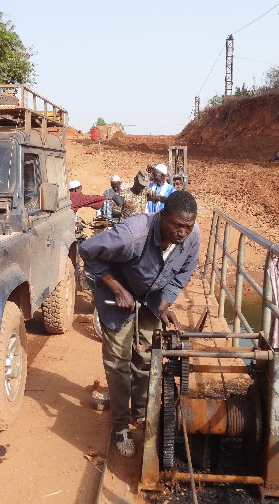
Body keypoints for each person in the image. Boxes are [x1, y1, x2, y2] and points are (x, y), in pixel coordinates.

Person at [78, 190, 201, 458]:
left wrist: (165, 304)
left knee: (147, 358)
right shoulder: (133, 234)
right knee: (120, 363)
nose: (182, 232)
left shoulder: (192, 237)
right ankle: (121, 424)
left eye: (187, 227)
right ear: (162, 216)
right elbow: (86, 250)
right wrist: (117, 288)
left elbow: (182, 274)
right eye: (177, 225)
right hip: (117, 296)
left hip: (152, 297)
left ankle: (142, 413)